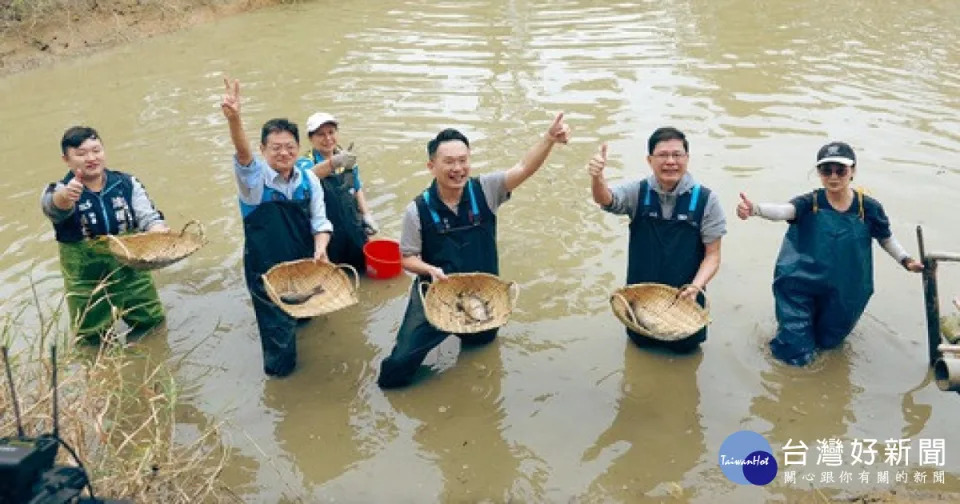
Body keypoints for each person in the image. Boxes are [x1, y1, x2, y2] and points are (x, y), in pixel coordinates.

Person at [377, 113, 571, 389]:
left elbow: (524, 168)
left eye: (462, 160)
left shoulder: (486, 190)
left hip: (481, 291)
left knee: (481, 345)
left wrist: (549, 139)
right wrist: (428, 269)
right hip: (436, 294)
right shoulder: (417, 209)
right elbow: (407, 257)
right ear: (431, 166)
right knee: (397, 368)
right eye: (449, 162)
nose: (457, 168)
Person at [736, 141, 924, 366]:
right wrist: (755, 209)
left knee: (829, 344)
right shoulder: (810, 202)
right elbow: (784, 210)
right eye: (826, 170)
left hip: (846, 290)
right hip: (800, 283)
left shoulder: (869, 208)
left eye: (840, 170)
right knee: (795, 351)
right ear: (819, 173)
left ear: (852, 171)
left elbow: (885, 238)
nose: (833, 177)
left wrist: (907, 261)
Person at [221, 78, 333, 377]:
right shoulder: (254, 182)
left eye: (289, 147)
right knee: (280, 347)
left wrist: (321, 248)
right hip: (265, 270)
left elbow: (320, 221)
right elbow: (243, 156)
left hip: (301, 263)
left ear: (298, 148)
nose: (283, 153)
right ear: (263, 149)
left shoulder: (308, 180)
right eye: (276, 148)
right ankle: (281, 380)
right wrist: (235, 120)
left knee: (304, 316)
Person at [588, 127, 726, 353]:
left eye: (677, 155)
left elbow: (713, 256)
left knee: (685, 360)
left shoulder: (706, 200)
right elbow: (607, 199)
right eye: (662, 155)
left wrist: (695, 287)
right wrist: (597, 177)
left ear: (687, 159)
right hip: (640, 306)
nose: (670, 161)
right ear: (649, 160)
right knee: (639, 356)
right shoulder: (638, 192)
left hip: (686, 310)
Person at [41, 126, 169, 342]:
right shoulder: (59, 190)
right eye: (81, 154)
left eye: (96, 150)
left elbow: (149, 217)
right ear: (66, 160)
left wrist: (158, 232)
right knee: (92, 339)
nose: (91, 158)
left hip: (132, 270)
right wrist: (66, 195)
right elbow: (52, 206)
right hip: (86, 280)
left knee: (152, 325)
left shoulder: (127, 184)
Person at [295, 112, 377, 271]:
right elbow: (308, 177)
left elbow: (357, 188)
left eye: (331, 132)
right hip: (325, 235)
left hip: (353, 227)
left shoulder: (346, 158)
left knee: (363, 271)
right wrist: (334, 162)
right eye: (321, 134)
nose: (327, 139)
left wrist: (367, 215)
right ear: (311, 138)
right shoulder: (305, 162)